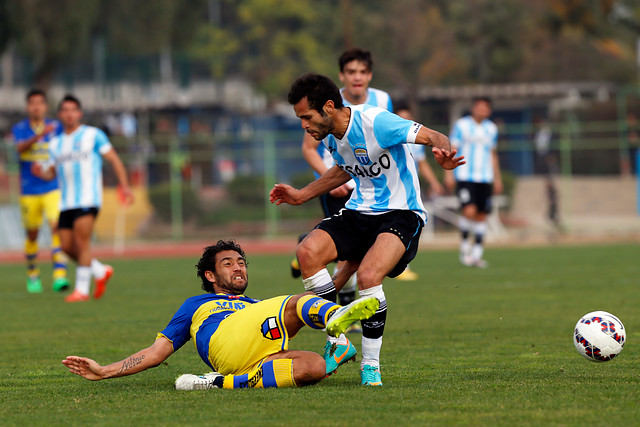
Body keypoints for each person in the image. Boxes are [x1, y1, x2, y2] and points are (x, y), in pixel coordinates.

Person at [270, 73, 464, 386]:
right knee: (306, 251)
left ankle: (370, 366)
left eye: (306, 117)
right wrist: (301, 194)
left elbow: (434, 136)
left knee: (369, 277)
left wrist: (444, 154)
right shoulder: (330, 136)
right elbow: (343, 169)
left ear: (329, 107)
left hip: (402, 213)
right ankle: (339, 341)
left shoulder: (376, 122)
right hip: (360, 210)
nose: (304, 125)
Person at [62, 240, 379, 390]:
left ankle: (219, 383)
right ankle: (338, 324)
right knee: (297, 302)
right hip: (225, 343)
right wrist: (104, 371)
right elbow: (157, 353)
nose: (238, 266)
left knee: (313, 367)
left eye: (241, 262)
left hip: (254, 358)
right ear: (211, 276)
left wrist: (350, 261)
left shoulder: (255, 303)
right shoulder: (196, 304)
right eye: (228, 263)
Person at [292, 48, 405, 304]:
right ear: (342, 76)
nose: (357, 77)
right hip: (338, 186)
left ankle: (338, 310)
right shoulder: (324, 102)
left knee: (363, 256)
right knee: (345, 254)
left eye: (363, 72)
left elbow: (391, 137)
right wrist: (327, 180)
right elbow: (309, 148)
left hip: (375, 187)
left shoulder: (382, 100)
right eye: (351, 72)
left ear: (370, 75)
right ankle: (343, 314)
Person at [32, 94, 134, 302]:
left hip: (88, 199)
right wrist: (40, 173)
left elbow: (114, 159)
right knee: (67, 246)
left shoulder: (93, 135)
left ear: (79, 113)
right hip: (66, 201)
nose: (69, 114)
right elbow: (51, 172)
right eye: (65, 110)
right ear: (60, 114)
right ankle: (99, 270)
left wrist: (125, 185)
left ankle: (81, 290)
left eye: (73, 110)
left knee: (82, 242)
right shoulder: (55, 144)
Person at [11, 89, 68, 294]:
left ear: (45, 106)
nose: (36, 107)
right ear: (28, 107)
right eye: (32, 103)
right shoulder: (20, 128)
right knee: (32, 234)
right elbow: (18, 148)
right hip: (29, 189)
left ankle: (59, 275)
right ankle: (33, 275)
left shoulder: (57, 127)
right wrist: (39, 136)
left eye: (40, 103)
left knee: (56, 228)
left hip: (52, 187)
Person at [444, 97, 503, 268]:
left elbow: (493, 153)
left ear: (489, 110)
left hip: (485, 178)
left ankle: (477, 254)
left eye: (485, 108)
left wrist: (497, 178)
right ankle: (464, 249)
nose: (481, 110)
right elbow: (451, 149)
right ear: (473, 108)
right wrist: (448, 174)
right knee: (469, 211)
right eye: (479, 107)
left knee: (482, 215)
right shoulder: (462, 125)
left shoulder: (491, 129)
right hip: (465, 176)